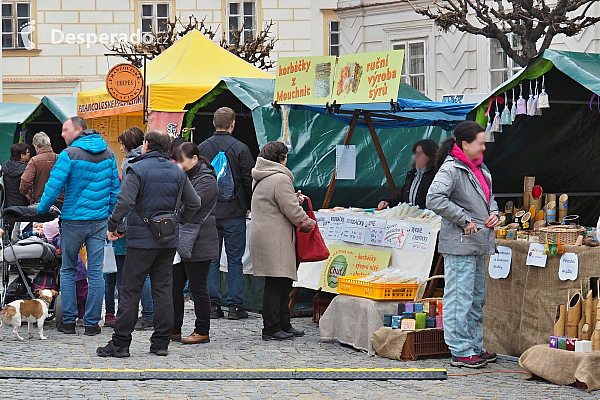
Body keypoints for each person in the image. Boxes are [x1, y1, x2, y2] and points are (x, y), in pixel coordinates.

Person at [97, 130, 201, 358]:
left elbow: (124, 202)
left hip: (141, 240)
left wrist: (114, 225)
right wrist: (177, 219)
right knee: (163, 290)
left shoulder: (137, 168)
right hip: (167, 239)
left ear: (146, 145)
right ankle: (161, 343)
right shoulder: (177, 170)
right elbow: (195, 202)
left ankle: (121, 343)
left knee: (130, 291)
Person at [426, 121, 499, 369]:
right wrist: (463, 219)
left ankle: (474, 346)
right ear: (465, 144)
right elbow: (434, 198)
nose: (483, 148)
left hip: (479, 242)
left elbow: (490, 199)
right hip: (460, 245)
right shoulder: (451, 169)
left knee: (477, 298)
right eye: (480, 143)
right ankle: (460, 350)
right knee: (460, 298)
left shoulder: (481, 169)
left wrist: (495, 214)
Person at [38, 116, 120, 336]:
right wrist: (112, 217)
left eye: (65, 130)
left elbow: (53, 186)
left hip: (74, 220)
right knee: (95, 272)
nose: (62, 134)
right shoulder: (109, 155)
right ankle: (92, 323)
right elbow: (115, 191)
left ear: (78, 130)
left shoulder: (68, 155)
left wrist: (41, 209)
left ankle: (68, 322)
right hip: (99, 221)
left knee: (68, 269)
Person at [250, 142, 315, 341]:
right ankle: (271, 328)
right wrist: (310, 223)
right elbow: (293, 212)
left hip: (265, 236)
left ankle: (284, 325)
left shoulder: (262, 176)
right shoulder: (280, 178)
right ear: (281, 158)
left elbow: (277, 203)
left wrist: (294, 200)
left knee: (282, 282)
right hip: (275, 238)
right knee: (277, 284)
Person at [198, 107, 254, 320]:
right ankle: (235, 307)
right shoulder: (241, 148)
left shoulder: (202, 147)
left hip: (209, 212)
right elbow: (248, 180)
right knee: (234, 259)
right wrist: (248, 204)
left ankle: (212, 306)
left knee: (211, 259)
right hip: (234, 211)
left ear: (213, 123)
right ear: (233, 124)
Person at [171, 142, 219, 344]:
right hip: (181, 237)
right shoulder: (185, 176)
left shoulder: (207, 179)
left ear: (195, 158)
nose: (179, 165)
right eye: (177, 161)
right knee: (174, 286)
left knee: (198, 288)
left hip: (200, 239)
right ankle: (174, 329)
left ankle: (202, 330)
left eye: (182, 160)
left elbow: (192, 205)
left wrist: (177, 215)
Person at [116, 126, 154, 331]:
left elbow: (126, 198)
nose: (120, 148)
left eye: (122, 144)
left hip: (136, 222)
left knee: (139, 273)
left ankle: (147, 313)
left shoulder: (131, 162)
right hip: (156, 222)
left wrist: (118, 224)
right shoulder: (158, 160)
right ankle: (150, 313)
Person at [378, 139, 439, 210]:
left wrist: (419, 210)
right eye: (416, 153)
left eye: (421, 153)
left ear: (431, 156)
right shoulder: (412, 174)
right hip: (410, 218)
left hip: (428, 218)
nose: (417, 156)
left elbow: (436, 202)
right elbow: (402, 197)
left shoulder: (437, 175)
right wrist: (388, 202)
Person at [20, 131, 64, 208]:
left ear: (36, 146)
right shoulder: (61, 159)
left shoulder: (34, 161)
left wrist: (26, 193)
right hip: (60, 201)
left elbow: (25, 181)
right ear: (50, 144)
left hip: (41, 201)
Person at [2, 143, 30, 208]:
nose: (29, 154)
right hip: (23, 206)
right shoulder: (27, 170)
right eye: (28, 152)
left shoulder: (5, 166)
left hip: (8, 205)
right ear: (22, 155)